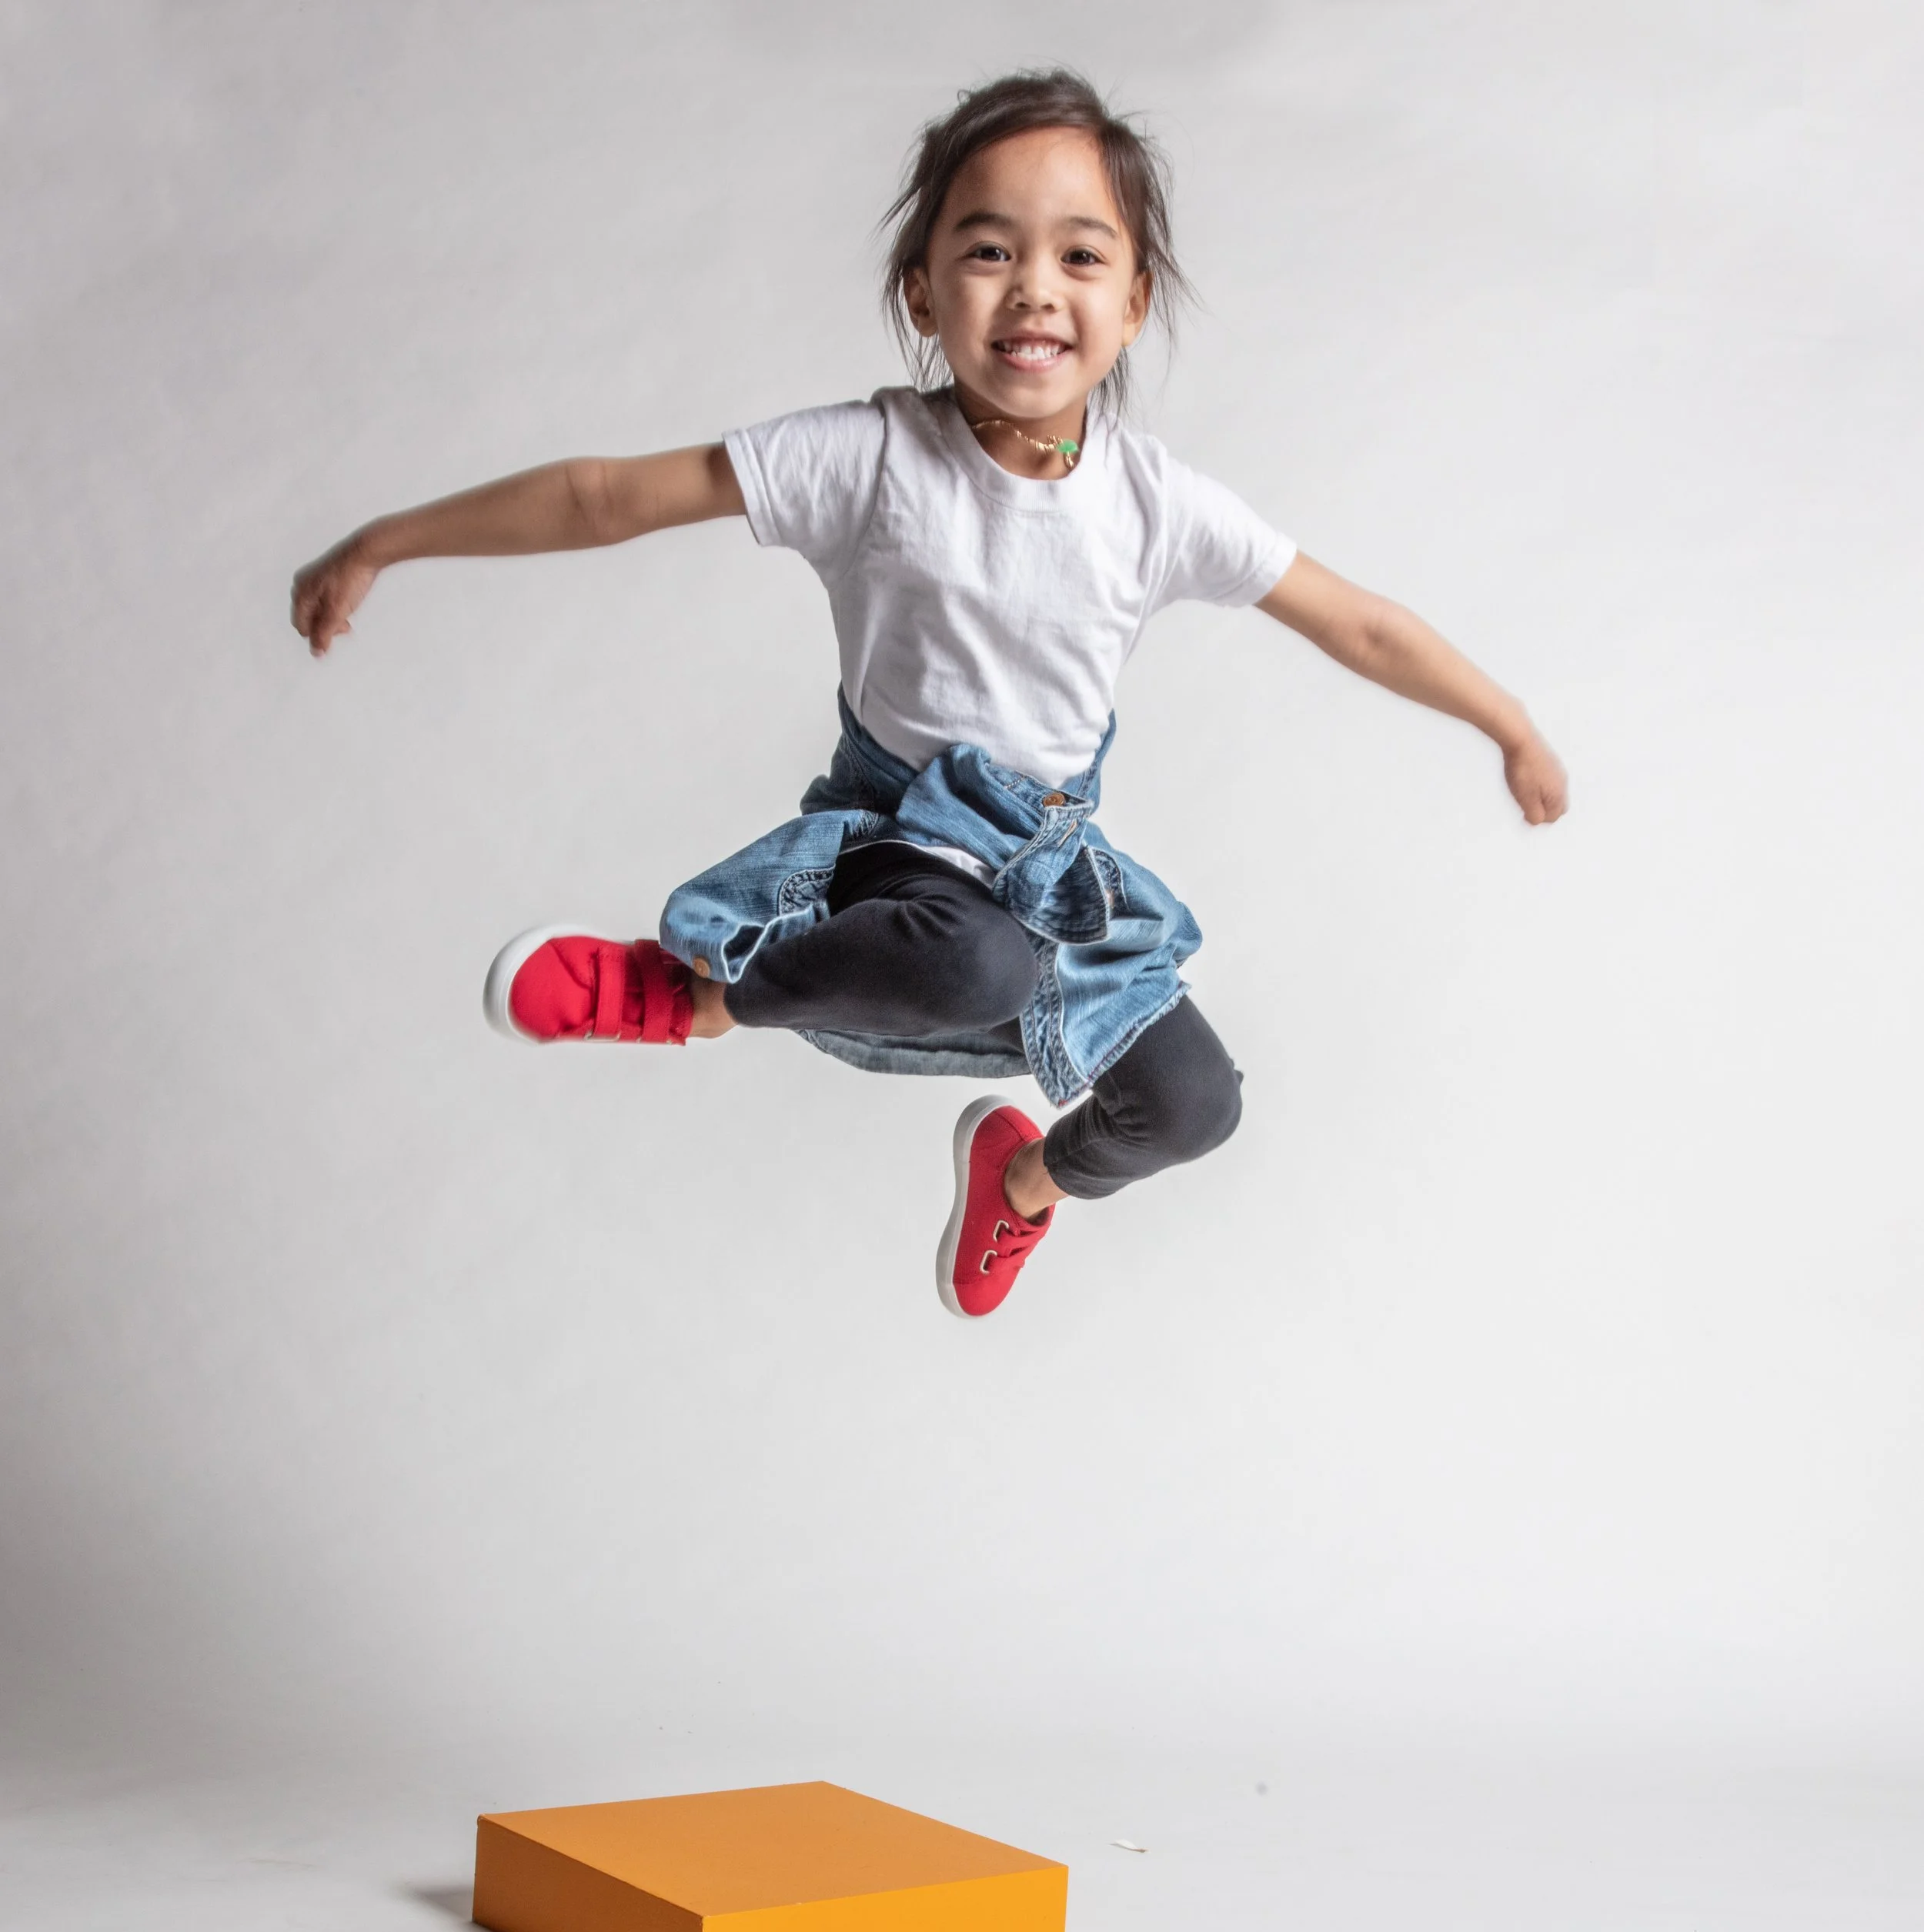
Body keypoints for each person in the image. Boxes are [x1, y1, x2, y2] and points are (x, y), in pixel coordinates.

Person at [290, 67, 1568, 1320]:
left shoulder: (1155, 505)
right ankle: (693, 995)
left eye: (1080, 257)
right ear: (922, 290)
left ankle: (1016, 1177)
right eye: (988, 250)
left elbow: (1362, 622)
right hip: (898, 845)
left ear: (1132, 305)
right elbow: (606, 496)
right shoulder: (871, 459)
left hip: (1052, 864)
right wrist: (386, 541)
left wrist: (1505, 723)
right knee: (974, 961)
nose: (1034, 290)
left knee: (1193, 1106)